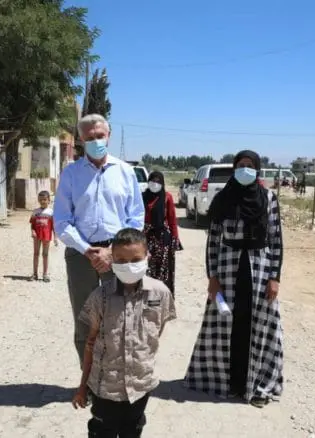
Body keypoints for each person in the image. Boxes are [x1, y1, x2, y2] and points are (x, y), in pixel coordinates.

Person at [184, 150, 285, 408]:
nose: (245, 169)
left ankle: (258, 385)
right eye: (240, 165)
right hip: (228, 270)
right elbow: (212, 240)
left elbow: (276, 241)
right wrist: (212, 277)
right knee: (225, 323)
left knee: (258, 326)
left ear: (258, 169)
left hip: (259, 272)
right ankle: (224, 383)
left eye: (250, 165)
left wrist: (275, 277)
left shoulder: (269, 199)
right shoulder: (223, 198)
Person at [54, 113, 146, 363]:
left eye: (100, 136)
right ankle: (90, 381)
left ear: (109, 136)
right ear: (81, 140)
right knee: (85, 318)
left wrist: (113, 252)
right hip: (80, 256)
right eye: (89, 137)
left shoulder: (125, 172)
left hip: (119, 257)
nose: (96, 141)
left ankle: (116, 378)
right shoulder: (71, 174)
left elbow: (136, 217)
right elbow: (62, 221)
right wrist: (87, 250)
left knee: (121, 316)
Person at [72, 228, 176, 437]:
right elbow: (90, 343)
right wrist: (83, 386)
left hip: (140, 386)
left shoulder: (160, 293)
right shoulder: (100, 296)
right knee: (102, 430)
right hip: (104, 388)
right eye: (120, 260)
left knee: (133, 429)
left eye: (135, 259)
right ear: (112, 261)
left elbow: (155, 335)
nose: (128, 265)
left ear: (147, 256)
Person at [142, 171, 181, 295]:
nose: (155, 184)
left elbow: (172, 219)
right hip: (145, 237)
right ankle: (147, 295)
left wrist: (175, 239)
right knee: (146, 267)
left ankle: (164, 296)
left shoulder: (167, 197)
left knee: (164, 269)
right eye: (152, 180)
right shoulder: (142, 196)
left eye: (158, 181)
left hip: (163, 239)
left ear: (162, 183)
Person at [30, 190, 58, 282]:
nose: (43, 201)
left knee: (45, 254)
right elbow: (32, 224)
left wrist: (55, 238)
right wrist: (33, 231)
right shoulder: (35, 212)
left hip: (46, 236)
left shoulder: (51, 212)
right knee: (36, 254)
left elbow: (54, 226)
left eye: (45, 199)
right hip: (37, 236)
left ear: (49, 200)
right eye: (41, 200)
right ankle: (35, 274)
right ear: (38, 200)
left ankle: (45, 275)